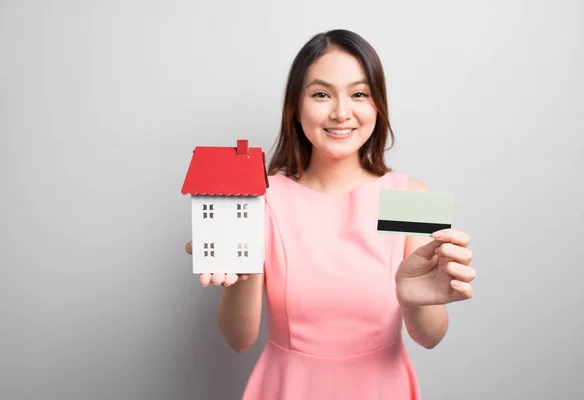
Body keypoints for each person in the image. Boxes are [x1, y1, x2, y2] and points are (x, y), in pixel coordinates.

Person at [185, 29, 476, 400]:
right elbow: (238, 339)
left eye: (359, 94)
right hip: (290, 389)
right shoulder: (261, 198)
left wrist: (414, 300)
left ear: (377, 105)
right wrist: (244, 266)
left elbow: (430, 338)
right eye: (321, 94)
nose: (341, 112)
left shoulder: (412, 196)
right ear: (295, 106)